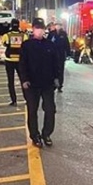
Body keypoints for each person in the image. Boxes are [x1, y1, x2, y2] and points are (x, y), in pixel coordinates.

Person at [19, 18, 61, 148]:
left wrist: (57, 78)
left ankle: (46, 134)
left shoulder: (50, 45)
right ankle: (35, 135)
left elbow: (57, 64)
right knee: (32, 110)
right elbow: (22, 64)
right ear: (33, 29)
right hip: (31, 85)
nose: (39, 31)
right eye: (37, 28)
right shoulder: (26, 45)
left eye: (42, 28)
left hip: (47, 84)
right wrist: (24, 80)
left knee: (50, 110)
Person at [2, 18, 27, 106]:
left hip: (9, 60)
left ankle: (14, 100)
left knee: (11, 81)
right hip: (20, 61)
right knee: (23, 80)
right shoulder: (24, 35)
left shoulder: (7, 35)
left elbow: (3, 43)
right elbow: (26, 46)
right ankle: (27, 99)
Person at [48, 23, 71, 92]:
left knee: (60, 70)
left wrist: (68, 53)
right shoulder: (51, 33)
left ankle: (60, 85)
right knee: (52, 70)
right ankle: (52, 84)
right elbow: (47, 43)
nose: (58, 27)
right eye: (57, 26)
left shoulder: (63, 34)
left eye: (59, 26)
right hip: (52, 55)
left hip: (61, 55)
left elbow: (67, 44)